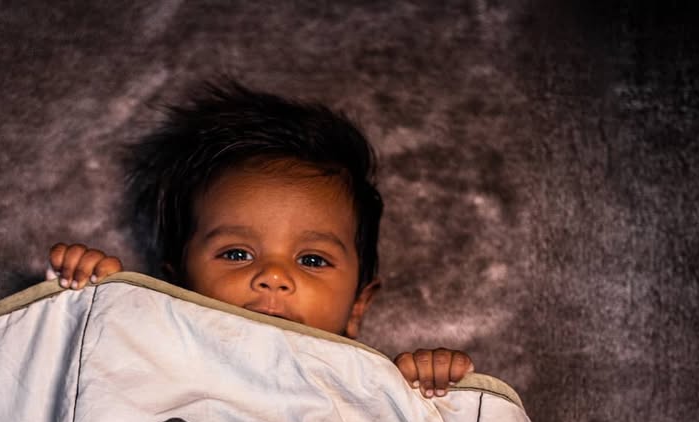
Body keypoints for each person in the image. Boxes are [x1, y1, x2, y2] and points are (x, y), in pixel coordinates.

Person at [47, 82, 473, 398]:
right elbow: (63, 390)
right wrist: (85, 304)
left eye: (312, 260)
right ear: (175, 285)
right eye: (236, 253)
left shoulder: (373, 390)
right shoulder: (147, 354)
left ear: (358, 306)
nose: (273, 275)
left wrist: (429, 395)